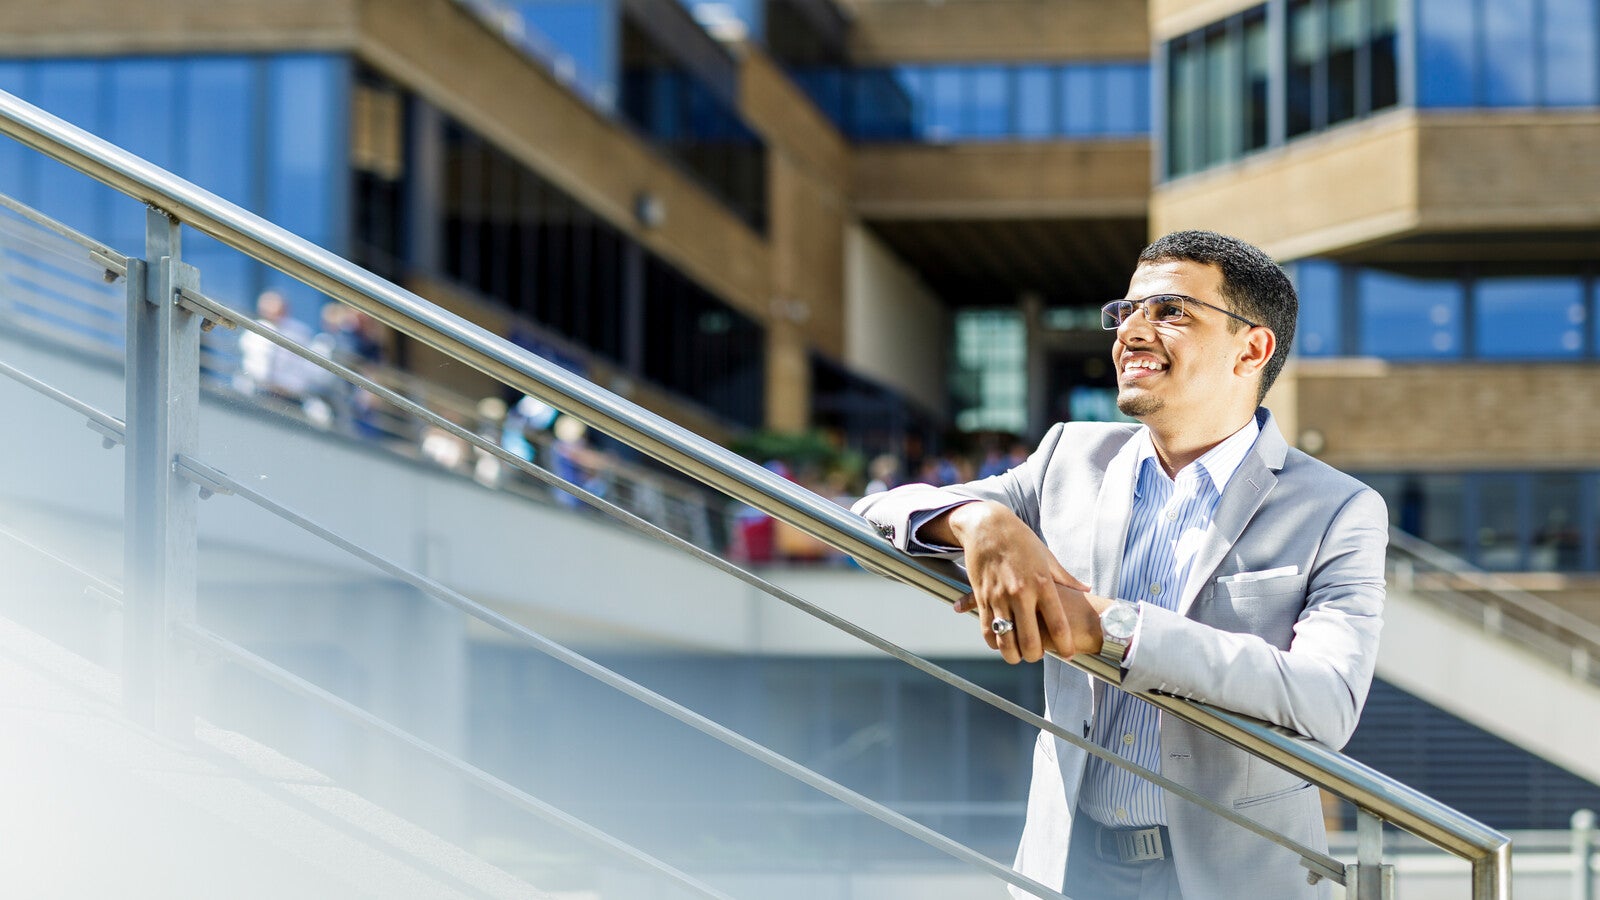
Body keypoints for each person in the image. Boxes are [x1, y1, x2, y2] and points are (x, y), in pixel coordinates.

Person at [852, 231, 1386, 899]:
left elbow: (1326, 700)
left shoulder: (1339, 509)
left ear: (1252, 348)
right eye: (1126, 311)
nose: (1132, 329)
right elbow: (873, 517)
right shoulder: (1068, 458)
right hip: (1068, 867)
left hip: (1231, 878)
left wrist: (1110, 630)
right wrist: (975, 520)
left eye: (1170, 311)